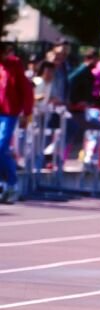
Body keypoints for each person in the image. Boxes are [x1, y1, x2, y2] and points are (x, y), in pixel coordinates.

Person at [0, 44, 34, 204]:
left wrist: (26, 113)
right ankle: (6, 184)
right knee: (3, 151)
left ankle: (12, 184)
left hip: (9, 112)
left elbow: (26, 90)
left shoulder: (15, 65)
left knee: (1, 146)